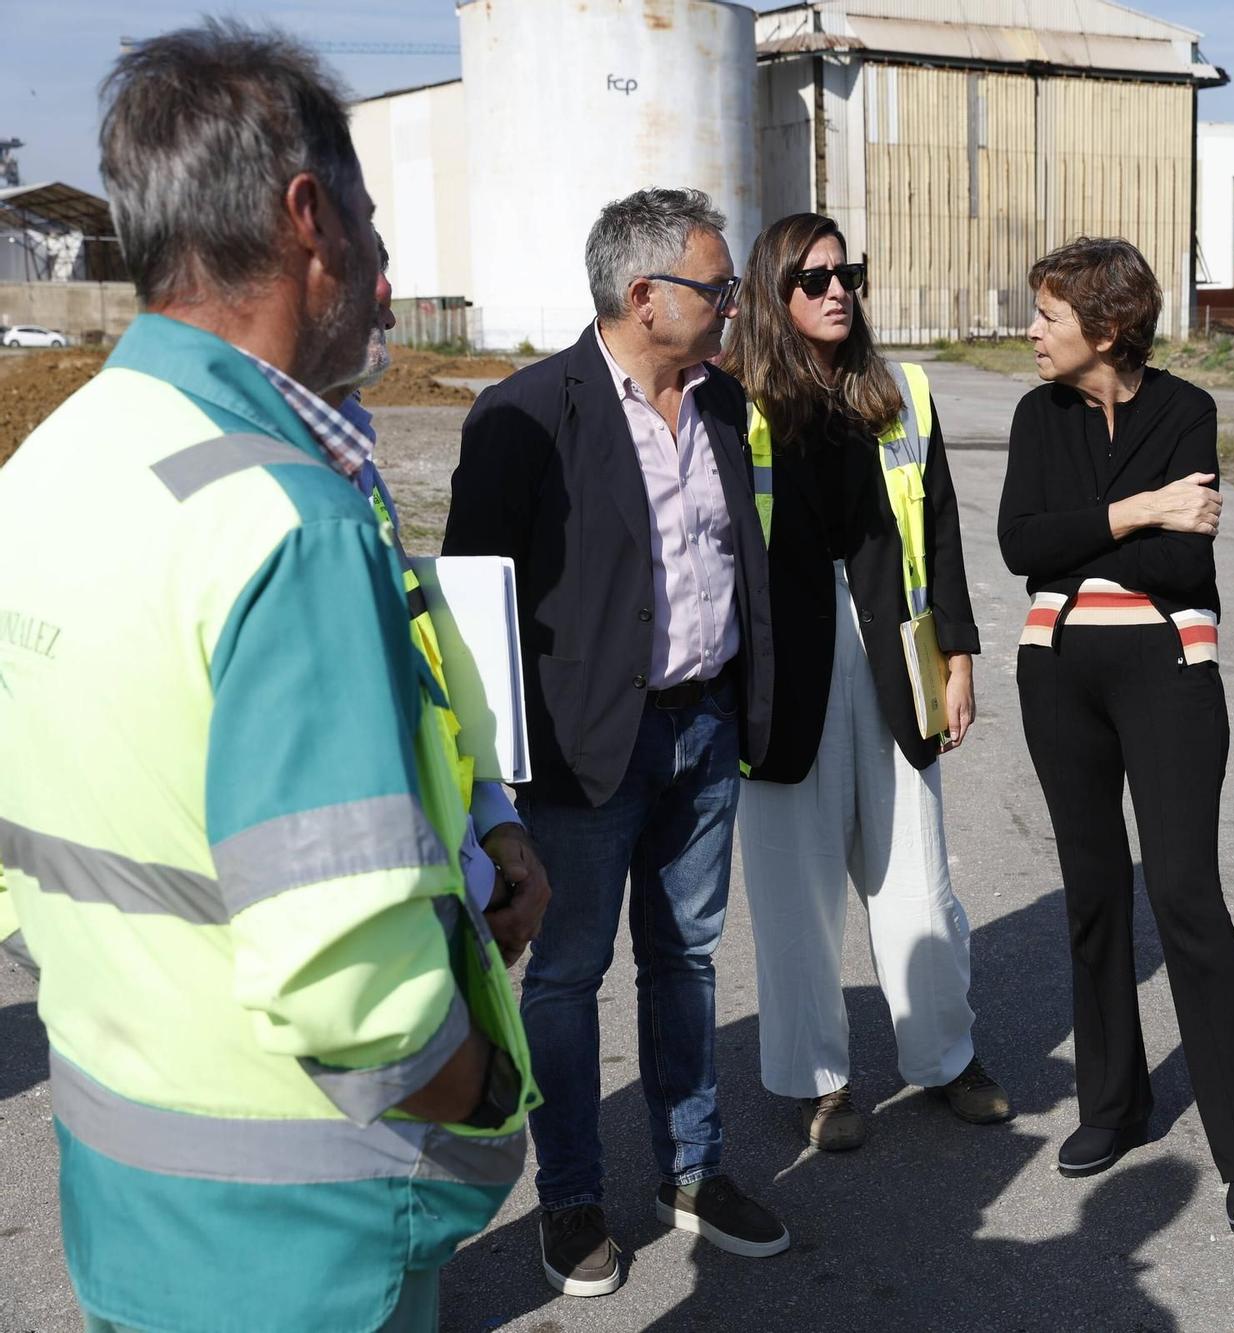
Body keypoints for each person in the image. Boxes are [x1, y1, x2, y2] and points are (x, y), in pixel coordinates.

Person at [0, 22, 537, 1331]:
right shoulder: (282, 518)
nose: (386, 266)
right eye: (372, 221)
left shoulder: (56, 467)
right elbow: (348, 986)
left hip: (131, 1182)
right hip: (308, 1227)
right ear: (310, 217)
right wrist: (471, 1086)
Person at [444, 188, 785, 1299]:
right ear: (643, 296)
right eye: (716, 286)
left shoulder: (724, 405)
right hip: (586, 749)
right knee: (570, 974)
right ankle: (574, 1195)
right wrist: (492, 785)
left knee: (685, 957)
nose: (733, 303)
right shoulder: (528, 414)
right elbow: (472, 612)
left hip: (702, 724)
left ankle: (691, 1169)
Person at [996, 237, 1234, 1237]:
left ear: (1105, 327)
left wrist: (1093, 535)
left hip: (1168, 671)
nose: (1029, 331)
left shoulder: (1185, 409)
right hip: (1056, 675)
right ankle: (1113, 1106)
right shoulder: (1036, 416)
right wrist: (1142, 508)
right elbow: (1017, 546)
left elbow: (1179, 564)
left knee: (1182, 893)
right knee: (1092, 892)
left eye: (1046, 314)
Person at [721, 212, 1010, 1151]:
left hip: (890, 659)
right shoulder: (730, 400)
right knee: (794, 895)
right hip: (777, 675)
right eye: (813, 278)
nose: (837, 289)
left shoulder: (905, 392)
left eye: (848, 273)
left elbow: (943, 532)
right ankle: (819, 1084)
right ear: (774, 294)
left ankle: (946, 1057)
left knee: (918, 881)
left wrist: (958, 655)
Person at [324, 232, 552, 940]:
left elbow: (425, 674)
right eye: (365, 267)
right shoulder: (261, 483)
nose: (388, 297)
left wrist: (494, 817)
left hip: (446, 892)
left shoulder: (357, 462)